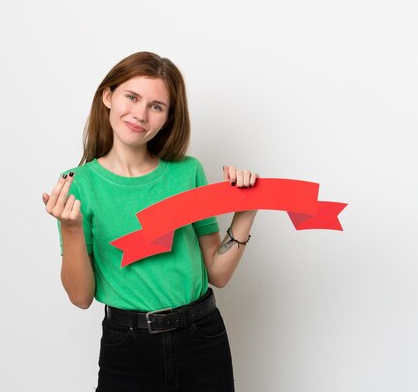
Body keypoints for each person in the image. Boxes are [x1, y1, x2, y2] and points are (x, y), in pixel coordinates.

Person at [43, 51, 259, 391]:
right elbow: (81, 297)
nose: (140, 114)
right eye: (132, 97)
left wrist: (246, 210)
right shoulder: (78, 184)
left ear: (168, 118)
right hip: (127, 346)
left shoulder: (187, 172)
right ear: (108, 96)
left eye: (156, 106)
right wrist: (71, 229)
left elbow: (218, 274)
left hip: (202, 336)